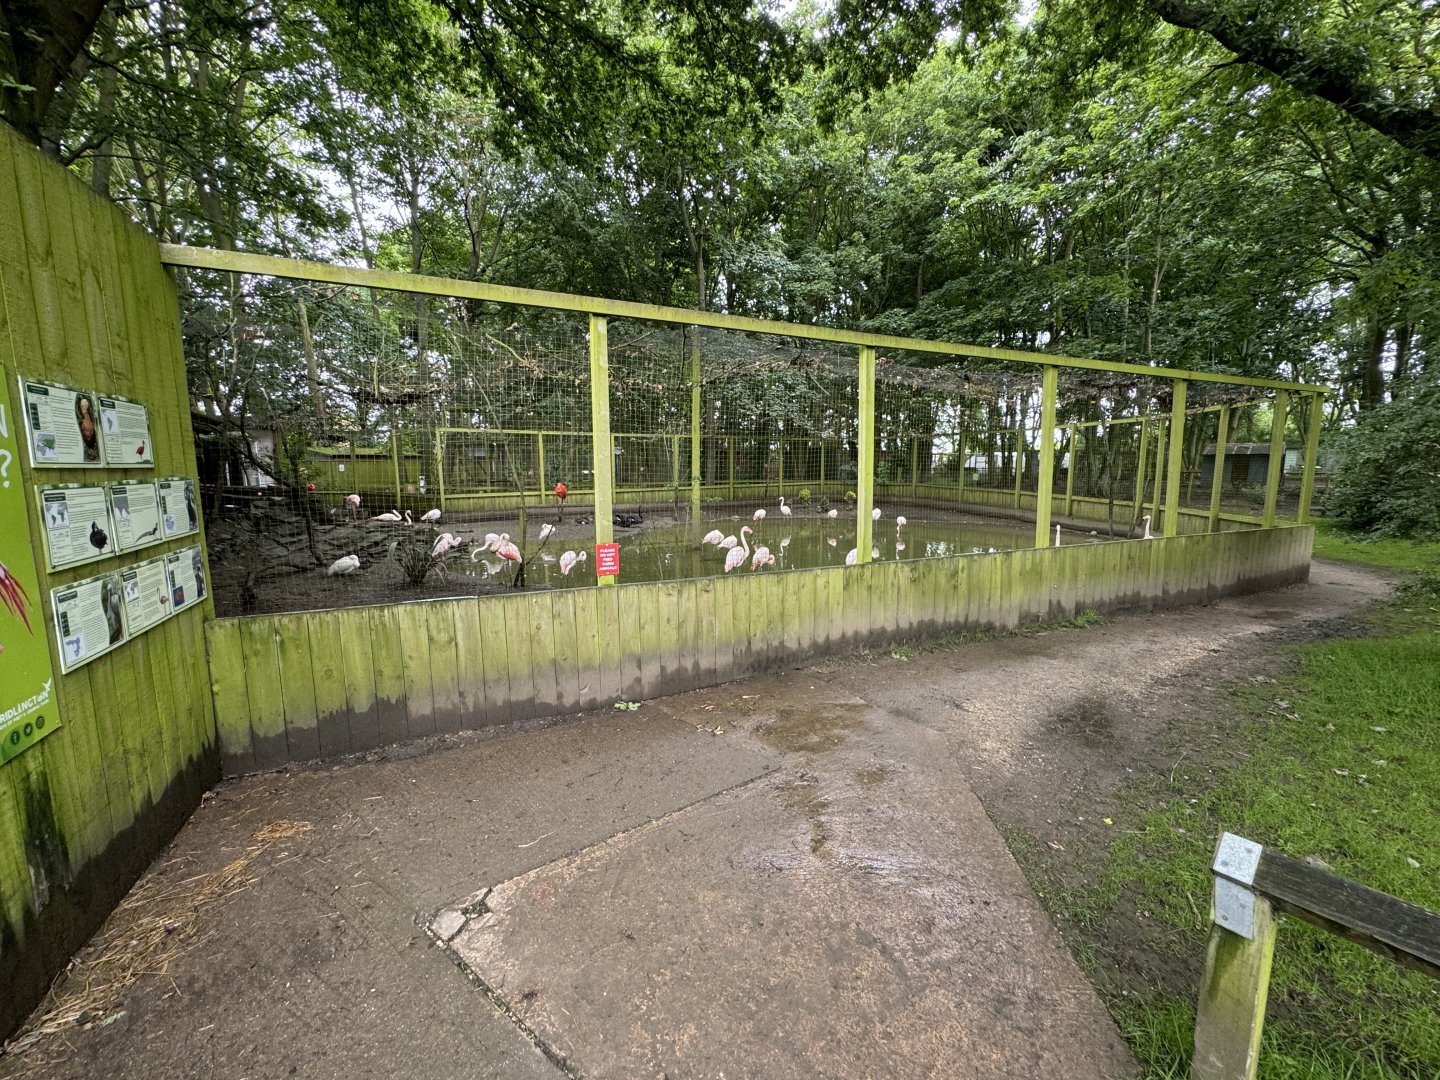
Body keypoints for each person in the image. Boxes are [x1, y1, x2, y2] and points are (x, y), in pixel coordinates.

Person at [75, 395, 100, 462]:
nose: (88, 434)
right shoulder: (81, 422)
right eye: (83, 406)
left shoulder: (91, 420)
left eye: (85, 405)